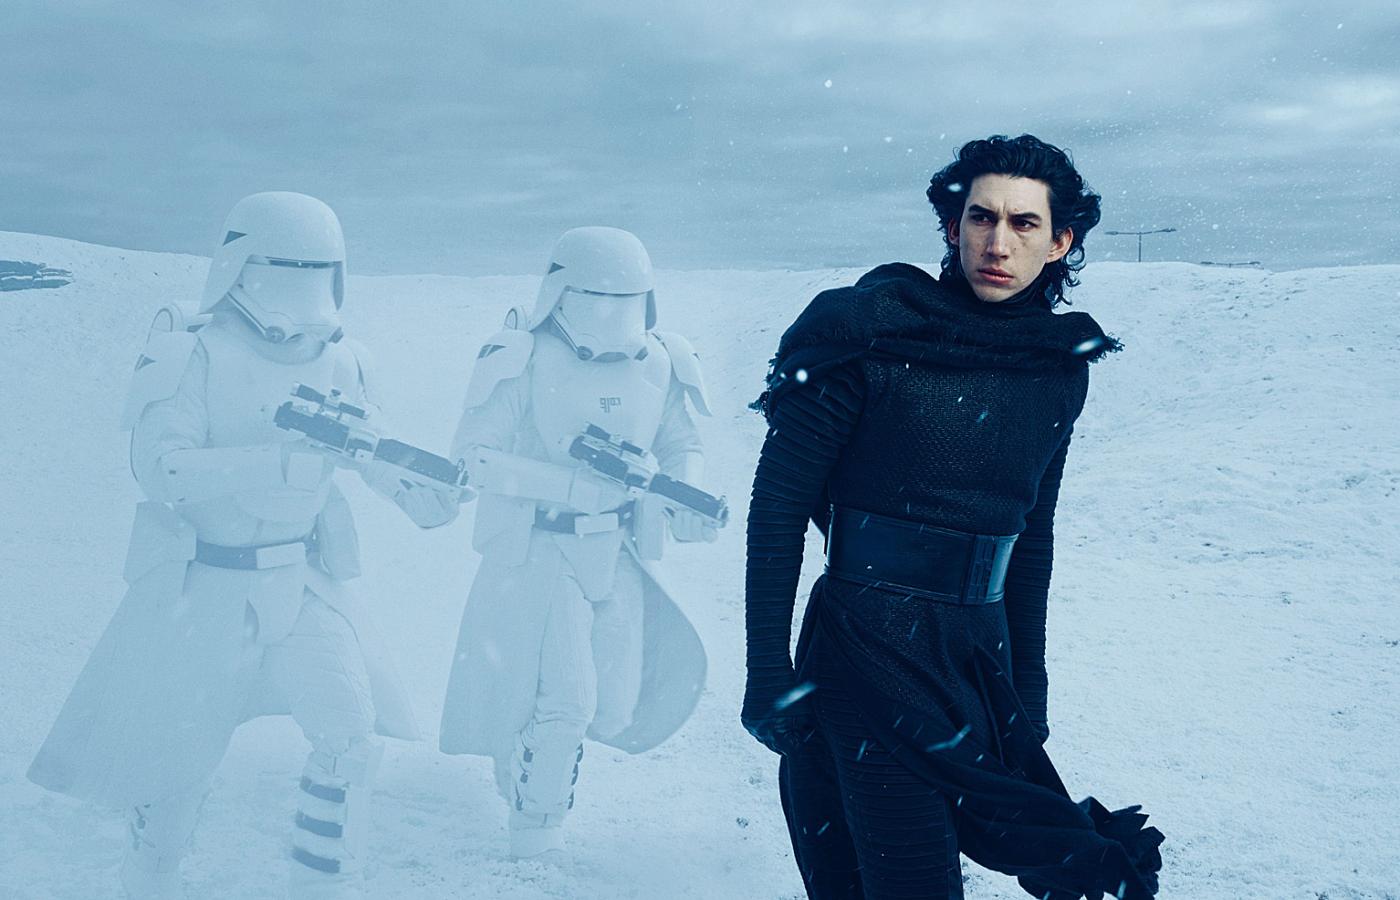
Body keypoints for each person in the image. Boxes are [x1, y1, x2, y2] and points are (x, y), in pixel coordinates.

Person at [742, 135, 1164, 899]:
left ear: (1060, 241)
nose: (997, 243)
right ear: (952, 226)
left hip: (975, 653)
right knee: (909, 877)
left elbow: (1030, 536)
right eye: (981, 217)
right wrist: (767, 669)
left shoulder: (1057, 364)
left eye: (1024, 223)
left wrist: (1027, 681)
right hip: (864, 642)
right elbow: (778, 509)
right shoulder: (864, 333)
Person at [27, 192, 461, 899]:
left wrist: (421, 493)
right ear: (243, 266)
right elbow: (162, 469)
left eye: (314, 274)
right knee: (174, 767)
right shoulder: (193, 352)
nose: (301, 295)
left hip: (301, 581)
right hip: (206, 588)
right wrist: (276, 463)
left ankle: (321, 884)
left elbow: (366, 448)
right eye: (287, 273)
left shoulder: (342, 361)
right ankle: (150, 877)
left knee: (349, 739)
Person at [439, 226, 717, 859]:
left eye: (626, 301)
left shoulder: (661, 360)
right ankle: (535, 832)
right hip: (542, 548)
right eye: (599, 299)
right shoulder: (522, 356)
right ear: (562, 293)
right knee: (568, 700)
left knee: (611, 704)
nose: (613, 315)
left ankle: (527, 770)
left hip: (615, 549)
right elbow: (473, 457)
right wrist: (568, 486)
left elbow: (682, 442)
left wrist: (683, 495)